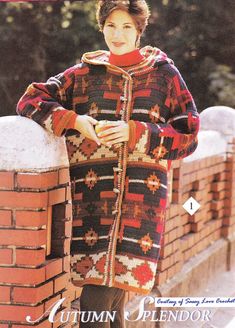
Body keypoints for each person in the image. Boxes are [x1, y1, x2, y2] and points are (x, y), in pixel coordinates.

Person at [16, 0, 200, 327]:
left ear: (139, 30)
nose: (117, 34)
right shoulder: (83, 75)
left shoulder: (163, 75)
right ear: (101, 27)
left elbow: (189, 133)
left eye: (127, 26)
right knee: (106, 306)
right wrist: (75, 121)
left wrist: (136, 133)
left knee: (97, 306)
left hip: (140, 208)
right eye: (111, 25)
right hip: (93, 210)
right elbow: (30, 100)